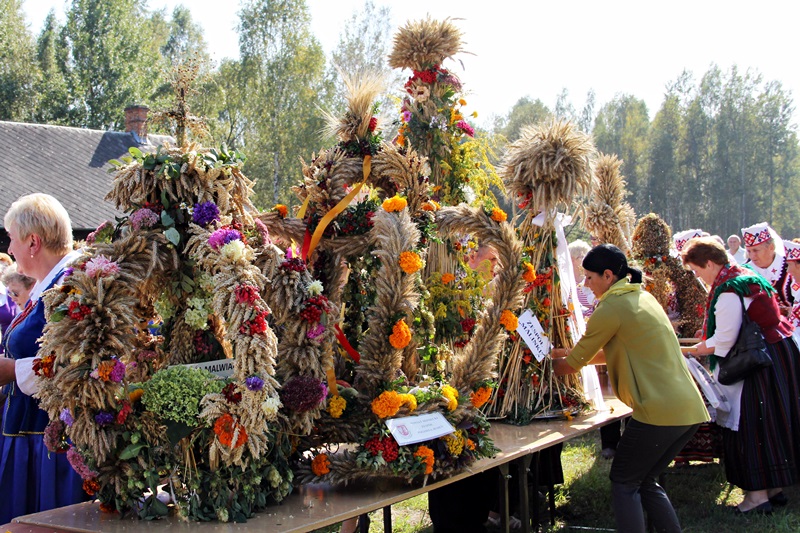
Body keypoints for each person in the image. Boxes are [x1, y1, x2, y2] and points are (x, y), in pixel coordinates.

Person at [552, 244, 708, 533]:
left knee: (624, 482)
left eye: (589, 277)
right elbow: (605, 353)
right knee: (644, 480)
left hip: (658, 413)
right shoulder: (642, 297)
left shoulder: (611, 307)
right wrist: (562, 355)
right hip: (688, 408)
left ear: (608, 275)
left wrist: (542, 366)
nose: (586, 284)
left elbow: (574, 364)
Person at [683, 237, 799, 514]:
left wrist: (691, 350)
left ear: (710, 263)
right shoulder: (748, 276)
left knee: (752, 426)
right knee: (772, 423)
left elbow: (724, 340)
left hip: (757, 365)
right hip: (777, 356)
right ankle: (774, 489)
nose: (698, 278)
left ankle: (757, 497)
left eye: (698, 271)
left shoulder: (728, 290)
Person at [0, 193, 87, 524]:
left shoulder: (71, 286)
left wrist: (11, 371)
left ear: (33, 242)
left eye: (11, 239)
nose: (10, 250)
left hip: (50, 446)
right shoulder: (46, 287)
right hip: (28, 436)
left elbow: (74, 364)